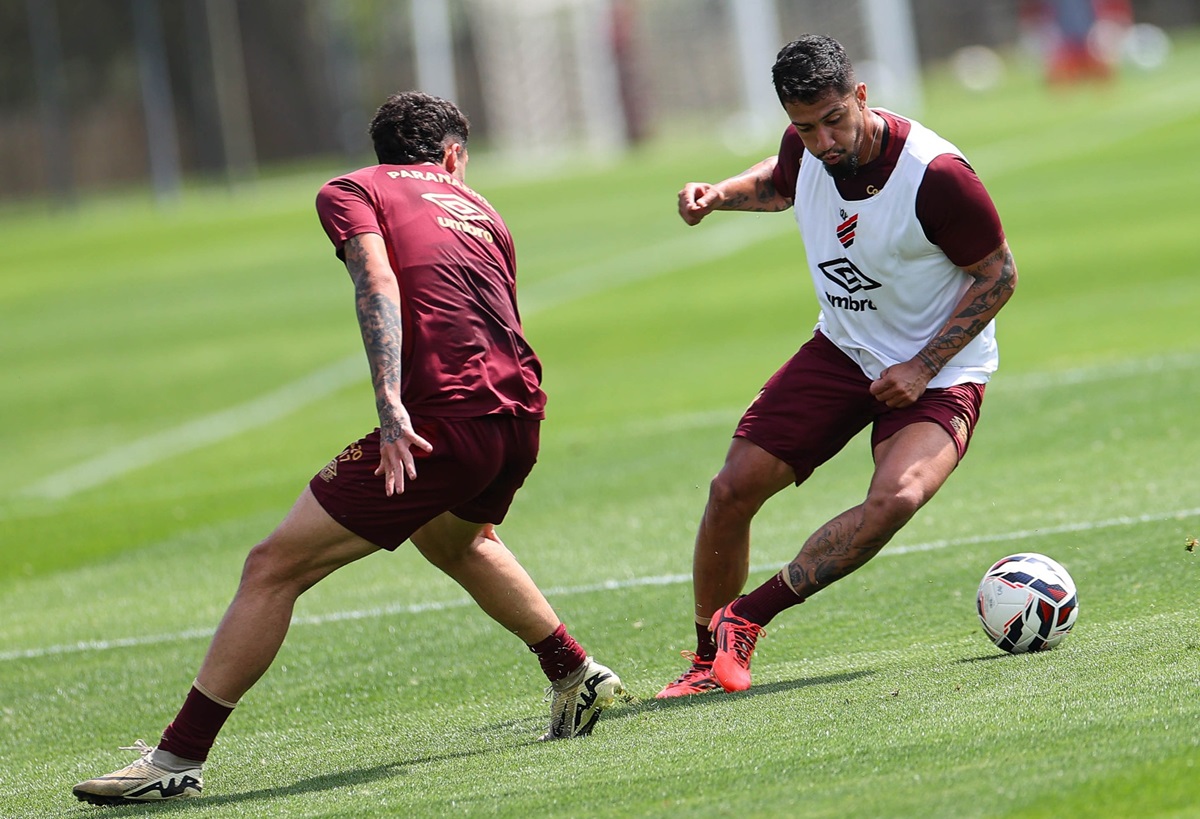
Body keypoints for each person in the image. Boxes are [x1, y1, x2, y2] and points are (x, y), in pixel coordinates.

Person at [73, 92, 624, 806]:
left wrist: (390, 400)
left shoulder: (352, 189)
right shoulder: (482, 208)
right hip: (519, 413)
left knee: (273, 565)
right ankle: (576, 674)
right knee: (456, 541)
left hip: (443, 418)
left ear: (383, 152)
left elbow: (376, 276)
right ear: (452, 155)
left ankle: (178, 755)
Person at [657, 35, 1017, 698]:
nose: (822, 141)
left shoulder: (937, 176)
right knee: (731, 489)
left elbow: (998, 276)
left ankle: (748, 616)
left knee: (897, 498)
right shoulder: (806, 146)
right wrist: (720, 194)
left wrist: (923, 362)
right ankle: (707, 657)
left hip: (941, 370)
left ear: (861, 96)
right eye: (804, 127)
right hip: (844, 350)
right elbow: (780, 179)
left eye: (834, 121)